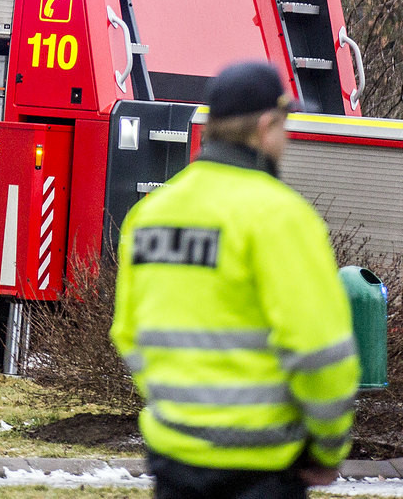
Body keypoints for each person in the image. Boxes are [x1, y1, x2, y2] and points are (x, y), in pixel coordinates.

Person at [112, 61, 358, 499]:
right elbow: (320, 353)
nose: (286, 139)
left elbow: (129, 333)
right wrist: (328, 448)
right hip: (262, 469)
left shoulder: (150, 214)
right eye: (284, 127)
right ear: (265, 127)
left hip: (174, 461)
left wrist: (180, 412)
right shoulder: (282, 217)